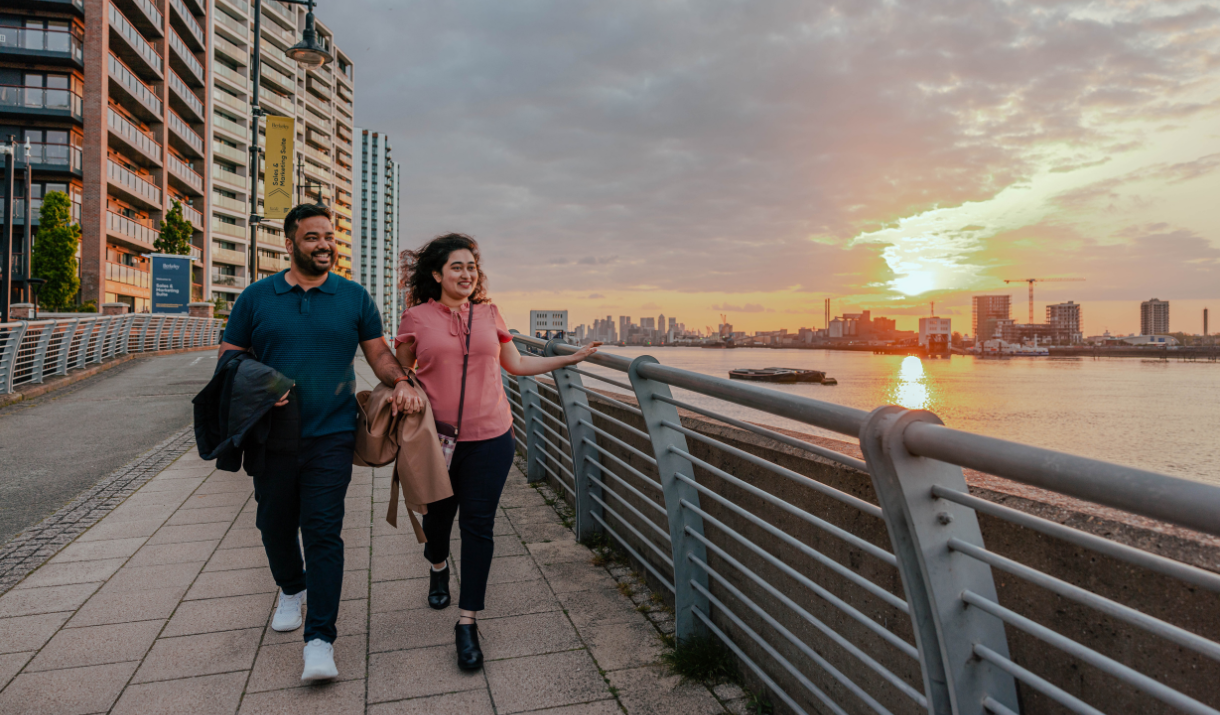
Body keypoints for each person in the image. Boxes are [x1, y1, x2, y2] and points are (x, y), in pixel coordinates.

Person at [217, 204, 423, 682]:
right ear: (290, 243)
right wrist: (267, 387)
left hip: (332, 434)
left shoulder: (353, 297)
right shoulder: (255, 298)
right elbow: (228, 360)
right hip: (270, 435)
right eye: (312, 237)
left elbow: (379, 357)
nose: (324, 245)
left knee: (324, 531)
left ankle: (320, 640)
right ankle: (292, 587)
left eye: (329, 236)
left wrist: (404, 382)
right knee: (273, 523)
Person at [395, 233, 601, 671]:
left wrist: (569, 358)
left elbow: (517, 364)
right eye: (457, 266)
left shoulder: (490, 313)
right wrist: (401, 386)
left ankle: (467, 622)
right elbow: (402, 368)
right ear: (437, 273)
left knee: (479, 527)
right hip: (437, 441)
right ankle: (436, 567)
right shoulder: (415, 317)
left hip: (492, 438)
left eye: (472, 266)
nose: (466, 274)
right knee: (437, 521)